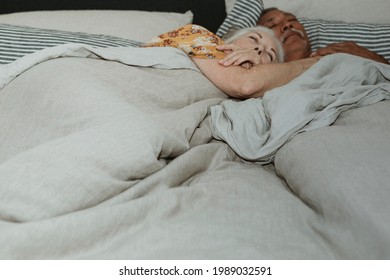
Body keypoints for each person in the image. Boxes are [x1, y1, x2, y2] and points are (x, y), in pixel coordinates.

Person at [145, 24, 319, 99]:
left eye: (270, 55)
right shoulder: (199, 35)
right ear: (229, 39)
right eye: (253, 39)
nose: (259, 50)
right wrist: (312, 63)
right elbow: (246, 84)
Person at [256, 7, 389, 64]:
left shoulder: (342, 54)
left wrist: (371, 59)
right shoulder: (262, 81)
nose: (287, 25)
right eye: (272, 26)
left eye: (292, 20)